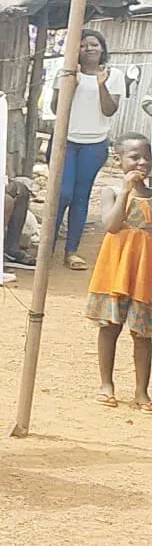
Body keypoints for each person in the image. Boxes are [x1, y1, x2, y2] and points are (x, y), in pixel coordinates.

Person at [86, 133, 152, 409]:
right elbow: (112, 225)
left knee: (144, 333)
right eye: (134, 157)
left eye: (147, 157)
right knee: (109, 327)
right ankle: (106, 383)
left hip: (144, 271)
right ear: (118, 160)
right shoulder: (111, 192)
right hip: (115, 270)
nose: (142, 162)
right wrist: (126, 190)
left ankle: (141, 391)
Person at [55, 29, 123, 270]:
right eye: (83, 45)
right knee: (62, 195)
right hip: (66, 142)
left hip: (94, 144)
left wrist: (101, 85)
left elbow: (109, 110)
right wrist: (70, 84)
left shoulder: (113, 75)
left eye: (94, 44)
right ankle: (47, 248)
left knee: (81, 197)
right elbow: (56, 108)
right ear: (76, 50)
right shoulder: (65, 73)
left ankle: (71, 251)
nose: (89, 48)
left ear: (102, 48)